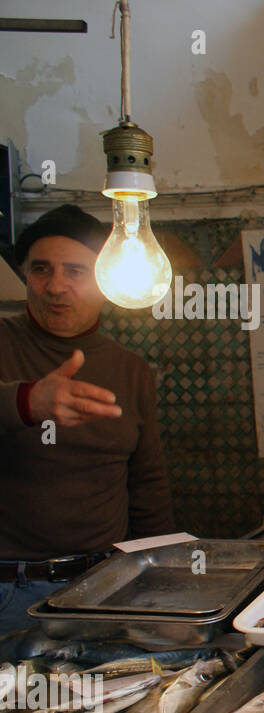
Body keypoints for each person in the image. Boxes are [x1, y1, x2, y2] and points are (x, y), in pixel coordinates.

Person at [0, 204, 174, 633]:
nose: (55, 286)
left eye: (75, 271)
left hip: (105, 587)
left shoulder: (131, 370)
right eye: (41, 269)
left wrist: (167, 579)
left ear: (105, 281)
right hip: (8, 591)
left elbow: (147, 484)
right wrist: (27, 402)